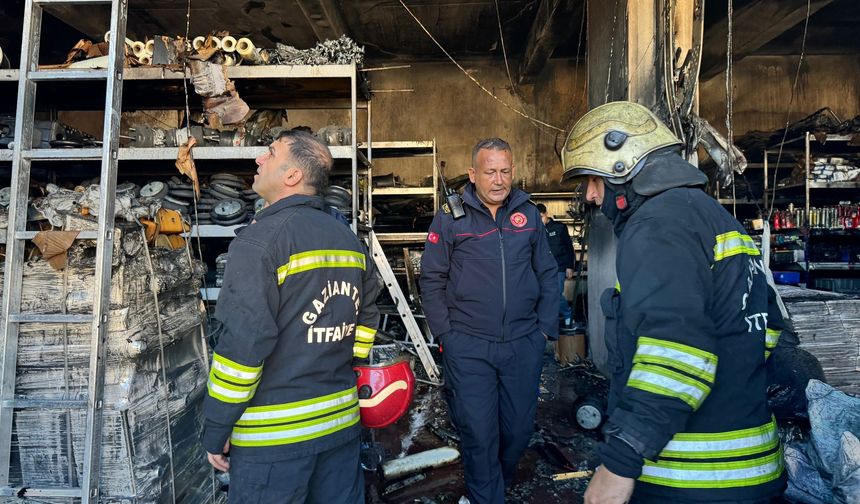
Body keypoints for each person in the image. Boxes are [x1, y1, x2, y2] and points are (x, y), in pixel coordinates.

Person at [561, 101, 786, 504]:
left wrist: (619, 463)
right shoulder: (709, 215)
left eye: (591, 179)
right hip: (750, 468)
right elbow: (767, 329)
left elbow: (675, 354)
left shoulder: (658, 226)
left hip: (693, 478)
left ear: (622, 165)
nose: (591, 196)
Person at [201, 130, 381, 504]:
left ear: (292, 176)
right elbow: (367, 320)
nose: (258, 160)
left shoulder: (259, 242)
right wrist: (346, 362)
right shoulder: (348, 239)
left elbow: (243, 347)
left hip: (274, 443)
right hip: (340, 429)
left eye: (269, 153)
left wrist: (217, 425)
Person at [419, 138, 559, 504]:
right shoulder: (450, 217)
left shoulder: (527, 214)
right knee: (479, 432)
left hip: (523, 341)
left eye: (505, 171)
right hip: (468, 343)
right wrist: (446, 334)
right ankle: (487, 496)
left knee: (517, 431)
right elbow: (432, 278)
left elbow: (547, 272)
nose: (498, 180)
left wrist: (544, 329)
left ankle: (496, 482)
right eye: (490, 171)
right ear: (472, 174)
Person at [536, 203, 576, 330]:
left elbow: (569, 248)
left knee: (556, 294)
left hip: (559, 266)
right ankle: (547, 323)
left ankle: (568, 315)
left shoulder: (559, 227)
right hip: (541, 268)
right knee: (541, 295)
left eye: (541, 217)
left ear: (546, 214)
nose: (539, 220)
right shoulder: (535, 230)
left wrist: (570, 266)